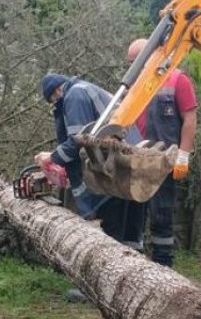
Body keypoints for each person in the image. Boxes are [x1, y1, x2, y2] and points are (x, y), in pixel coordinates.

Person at [36, 73, 145, 250]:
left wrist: (52, 157)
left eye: (53, 100)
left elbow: (80, 139)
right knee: (130, 236)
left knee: (113, 238)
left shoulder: (74, 96)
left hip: (112, 171)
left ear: (57, 90)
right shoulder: (87, 88)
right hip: (131, 162)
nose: (55, 104)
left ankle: (115, 268)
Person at [126, 38, 199, 266]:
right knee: (133, 215)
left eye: (135, 62)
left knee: (162, 215)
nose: (131, 68)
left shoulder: (178, 80)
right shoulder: (134, 83)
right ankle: (133, 263)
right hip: (136, 159)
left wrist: (183, 156)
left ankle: (163, 264)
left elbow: (190, 119)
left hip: (164, 161)